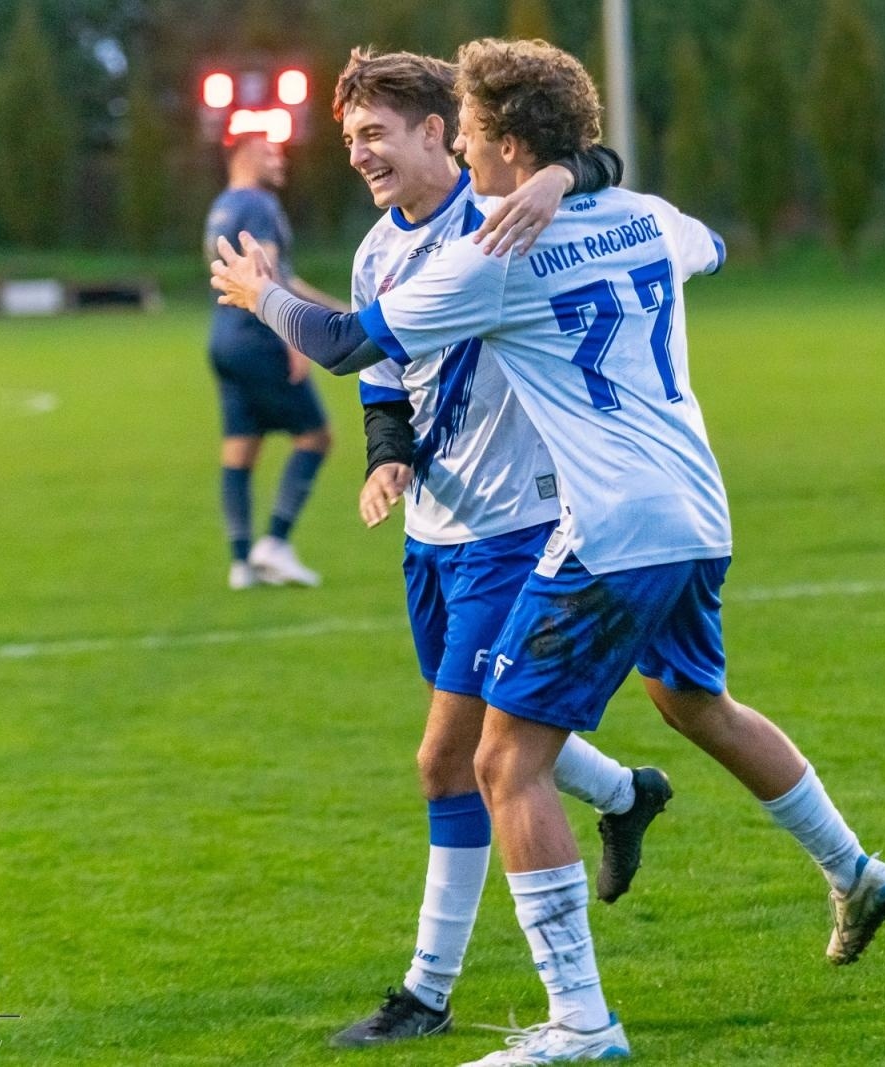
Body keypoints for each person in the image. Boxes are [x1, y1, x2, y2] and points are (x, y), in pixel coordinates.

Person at [211, 38, 885, 1066]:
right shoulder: (646, 218)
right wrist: (577, 175)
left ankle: (580, 1020)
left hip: (598, 522)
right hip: (694, 510)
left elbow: (352, 343)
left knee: (498, 762)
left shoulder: (496, 255)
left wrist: (259, 293)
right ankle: (854, 868)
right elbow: (701, 240)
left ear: (483, 140)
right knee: (688, 699)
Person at [317, 47, 672, 1050]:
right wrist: (387, 457)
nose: (361, 157)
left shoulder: (509, 210)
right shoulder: (376, 249)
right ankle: (626, 789)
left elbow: (600, 177)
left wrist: (566, 170)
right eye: (350, 142)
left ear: (442, 131)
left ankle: (427, 990)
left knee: (452, 760)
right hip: (433, 532)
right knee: (497, 742)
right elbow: (382, 375)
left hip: (519, 529)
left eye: (376, 135)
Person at [203, 134, 343, 589]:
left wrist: (340, 313)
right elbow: (271, 280)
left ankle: (241, 563)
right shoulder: (260, 206)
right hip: (260, 338)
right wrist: (297, 339)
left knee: (240, 448)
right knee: (316, 437)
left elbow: (281, 278)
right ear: (243, 157)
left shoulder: (221, 206)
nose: (279, 159)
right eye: (269, 152)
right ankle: (275, 543)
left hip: (223, 340)